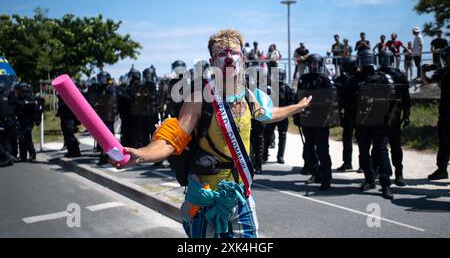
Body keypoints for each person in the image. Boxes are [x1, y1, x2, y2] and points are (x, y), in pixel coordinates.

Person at [110, 29, 312, 238]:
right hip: (205, 198)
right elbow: (171, 141)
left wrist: (297, 107)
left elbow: (269, 114)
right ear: (212, 60)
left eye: (233, 52)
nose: (229, 58)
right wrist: (141, 155)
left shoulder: (250, 95)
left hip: (241, 197)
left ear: (242, 58)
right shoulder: (199, 98)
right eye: (221, 54)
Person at [345, 50, 394, 199]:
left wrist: (387, 117)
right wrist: (353, 118)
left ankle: (385, 183)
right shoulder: (354, 80)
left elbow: (392, 99)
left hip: (379, 122)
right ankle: (369, 180)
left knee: (381, 151)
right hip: (362, 122)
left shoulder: (382, 78)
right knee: (364, 152)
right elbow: (347, 102)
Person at [295, 54, 337, 190]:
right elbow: (298, 97)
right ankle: (315, 172)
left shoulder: (325, 79)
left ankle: (326, 178)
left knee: (323, 150)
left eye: (315, 63)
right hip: (307, 120)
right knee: (308, 150)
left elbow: (332, 100)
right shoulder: (303, 79)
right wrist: (296, 114)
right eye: (311, 64)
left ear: (320, 64)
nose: (313, 66)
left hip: (321, 120)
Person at [377, 50, 411, 186]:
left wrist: (406, 114)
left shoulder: (397, 75)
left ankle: (398, 173)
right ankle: (385, 174)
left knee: (393, 146)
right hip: (380, 116)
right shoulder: (376, 75)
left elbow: (406, 97)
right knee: (381, 147)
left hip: (393, 115)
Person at [423, 46, 450, 180]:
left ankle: (442, 169)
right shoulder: (444, 72)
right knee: (444, 143)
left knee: (445, 143)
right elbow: (427, 81)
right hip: (445, 113)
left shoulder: (444, 73)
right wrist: (423, 71)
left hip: (446, 113)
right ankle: (442, 170)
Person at [263, 69, 295, 164]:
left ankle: (280, 156)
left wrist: (290, 112)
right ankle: (264, 156)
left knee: (282, 136)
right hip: (271, 115)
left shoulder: (287, 88)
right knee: (267, 135)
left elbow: (291, 101)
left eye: (280, 76)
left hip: (283, 115)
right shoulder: (269, 88)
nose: (278, 78)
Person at [87, 71, 118, 165]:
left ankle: (109, 156)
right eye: (100, 77)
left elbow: (111, 102)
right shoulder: (98, 88)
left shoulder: (111, 88)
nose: (102, 80)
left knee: (108, 136)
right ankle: (103, 154)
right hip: (100, 116)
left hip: (108, 116)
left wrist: (100, 103)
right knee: (101, 136)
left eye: (103, 78)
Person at [335, 56, 359, 172]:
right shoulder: (342, 79)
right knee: (347, 138)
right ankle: (347, 162)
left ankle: (363, 164)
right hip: (350, 113)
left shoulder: (359, 78)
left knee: (362, 139)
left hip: (357, 113)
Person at [15, 83, 38, 162]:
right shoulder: (19, 98)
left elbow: (34, 105)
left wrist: (26, 104)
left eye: (20, 91)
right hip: (21, 121)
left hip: (29, 121)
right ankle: (23, 156)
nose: (19, 93)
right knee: (21, 138)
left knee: (27, 137)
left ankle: (32, 154)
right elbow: (18, 105)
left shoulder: (30, 98)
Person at [57, 93, 81, 158]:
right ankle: (72, 152)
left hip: (68, 119)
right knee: (68, 137)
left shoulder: (66, 100)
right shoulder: (62, 100)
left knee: (70, 136)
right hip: (66, 119)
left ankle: (74, 152)